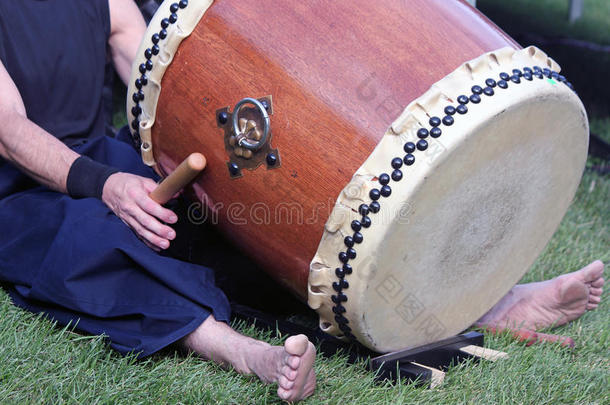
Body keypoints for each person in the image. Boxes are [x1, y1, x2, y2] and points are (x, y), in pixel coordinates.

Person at [0, 0, 603, 402]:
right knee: (98, 242)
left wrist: (189, 131)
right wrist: (106, 186)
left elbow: (147, 60)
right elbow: (9, 129)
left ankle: (495, 305)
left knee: (228, 220)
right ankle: (249, 355)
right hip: (24, 190)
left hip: (105, 157)